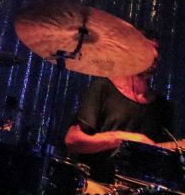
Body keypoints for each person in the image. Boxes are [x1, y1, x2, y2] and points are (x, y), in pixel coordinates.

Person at [63, 32, 173, 184]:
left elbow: (166, 158)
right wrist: (122, 138)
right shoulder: (103, 88)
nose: (155, 54)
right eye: (148, 48)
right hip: (96, 185)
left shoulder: (163, 107)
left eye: (157, 50)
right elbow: (72, 140)